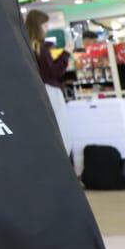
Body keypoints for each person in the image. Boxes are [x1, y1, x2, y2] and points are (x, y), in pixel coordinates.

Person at [27, 9, 73, 157]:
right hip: (50, 92)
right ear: (38, 26)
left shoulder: (26, 46)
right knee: (59, 129)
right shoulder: (39, 47)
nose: (47, 30)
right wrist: (66, 53)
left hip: (35, 92)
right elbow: (53, 72)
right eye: (45, 26)